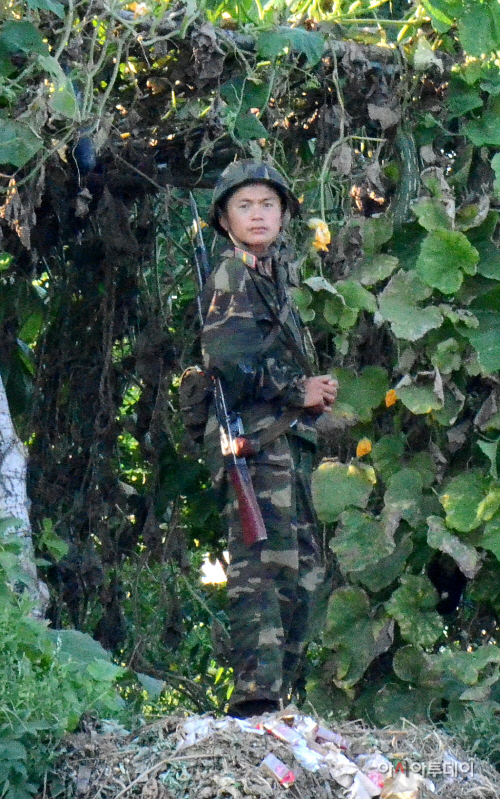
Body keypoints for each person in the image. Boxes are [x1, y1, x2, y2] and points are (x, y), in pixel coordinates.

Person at [201, 160, 337, 718]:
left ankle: (279, 700)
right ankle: (253, 703)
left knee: (304, 575)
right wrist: (296, 388)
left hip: (287, 447)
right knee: (263, 571)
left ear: (283, 214)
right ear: (226, 219)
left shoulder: (272, 278)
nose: (258, 215)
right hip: (255, 448)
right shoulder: (231, 275)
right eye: (244, 205)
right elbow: (230, 359)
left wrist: (311, 392)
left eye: (267, 204)